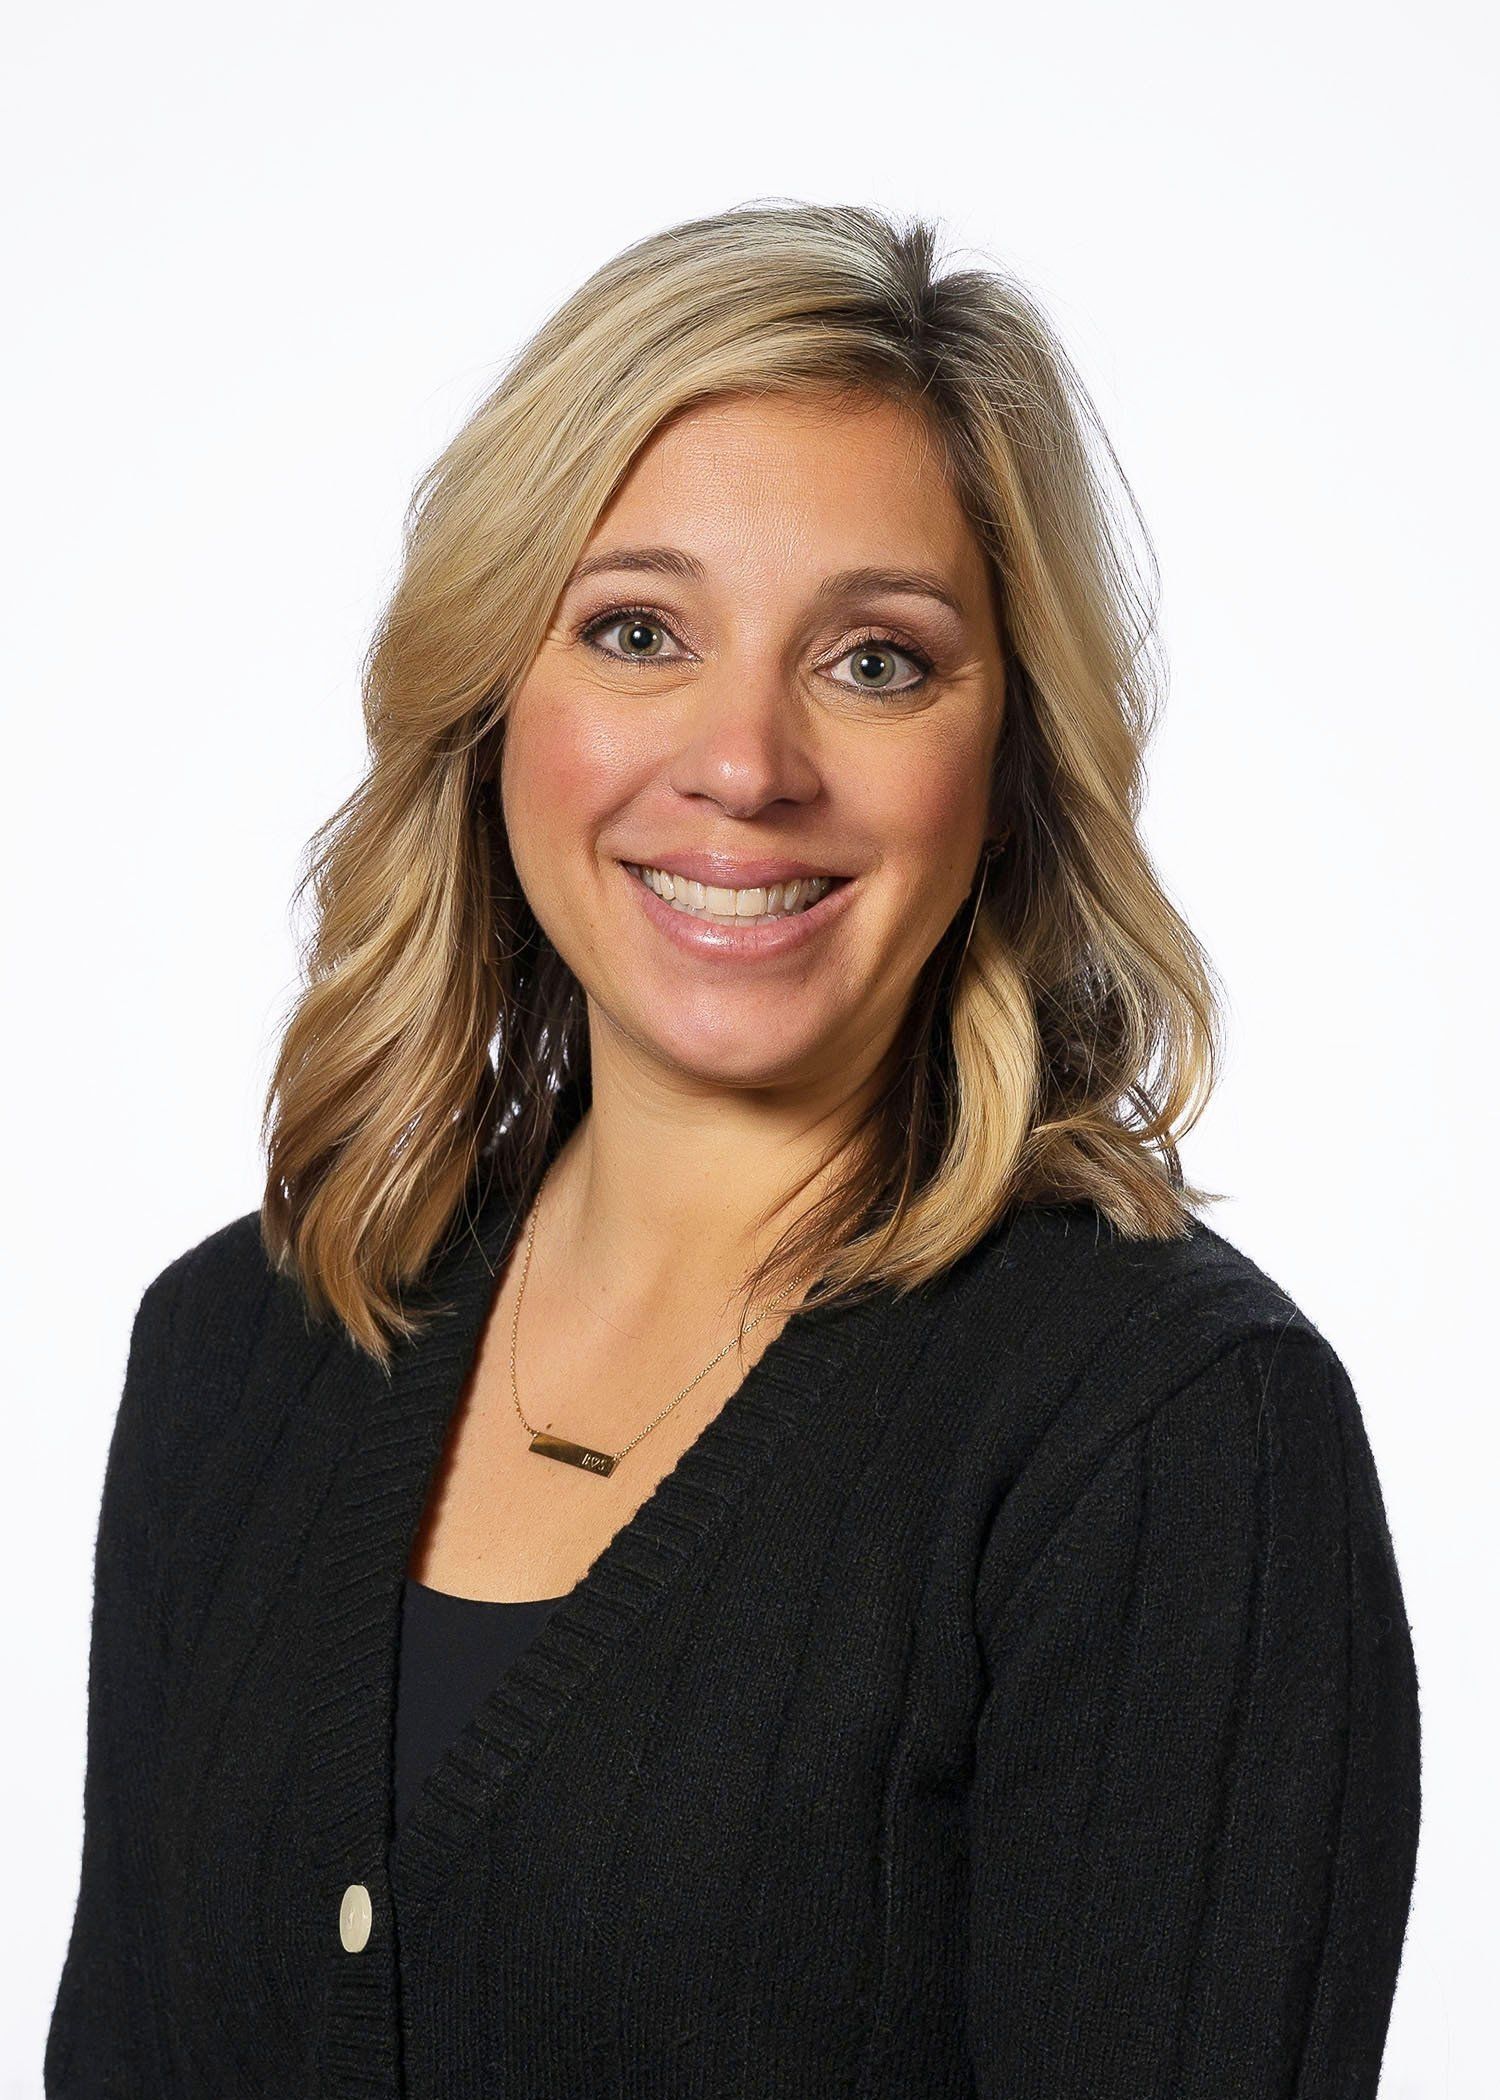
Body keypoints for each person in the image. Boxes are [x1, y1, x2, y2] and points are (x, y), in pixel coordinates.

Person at [45, 202, 1421, 2099]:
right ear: (493, 702)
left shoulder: (1165, 1441)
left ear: (1009, 757)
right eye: (636, 632)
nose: (746, 764)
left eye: (875, 661)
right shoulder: (238, 1352)